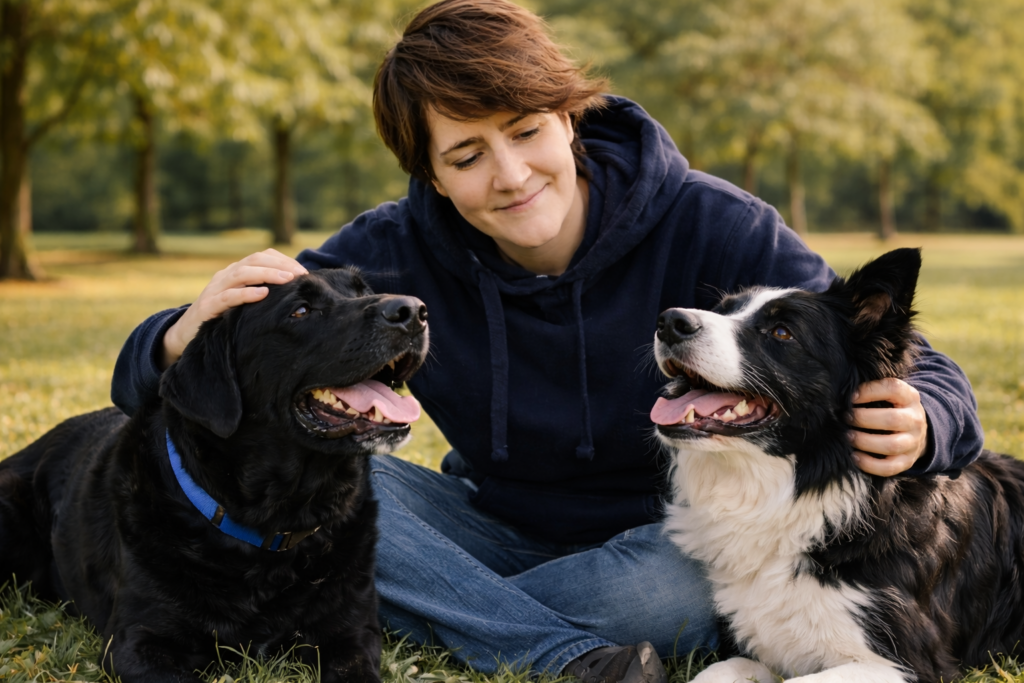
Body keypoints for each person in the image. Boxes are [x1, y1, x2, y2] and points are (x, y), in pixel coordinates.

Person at [111, 1, 984, 681]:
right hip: (479, 521)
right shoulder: (389, 251)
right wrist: (176, 335)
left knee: (669, 598)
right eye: (467, 156)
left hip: (664, 538)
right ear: (431, 174)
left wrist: (929, 417)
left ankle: (414, 608)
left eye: (526, 130)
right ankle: (560, 657)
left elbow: (891, 350)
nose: (511, 174)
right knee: (334, 482)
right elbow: (178, 376)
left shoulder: (714, 221)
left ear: (570, 116)